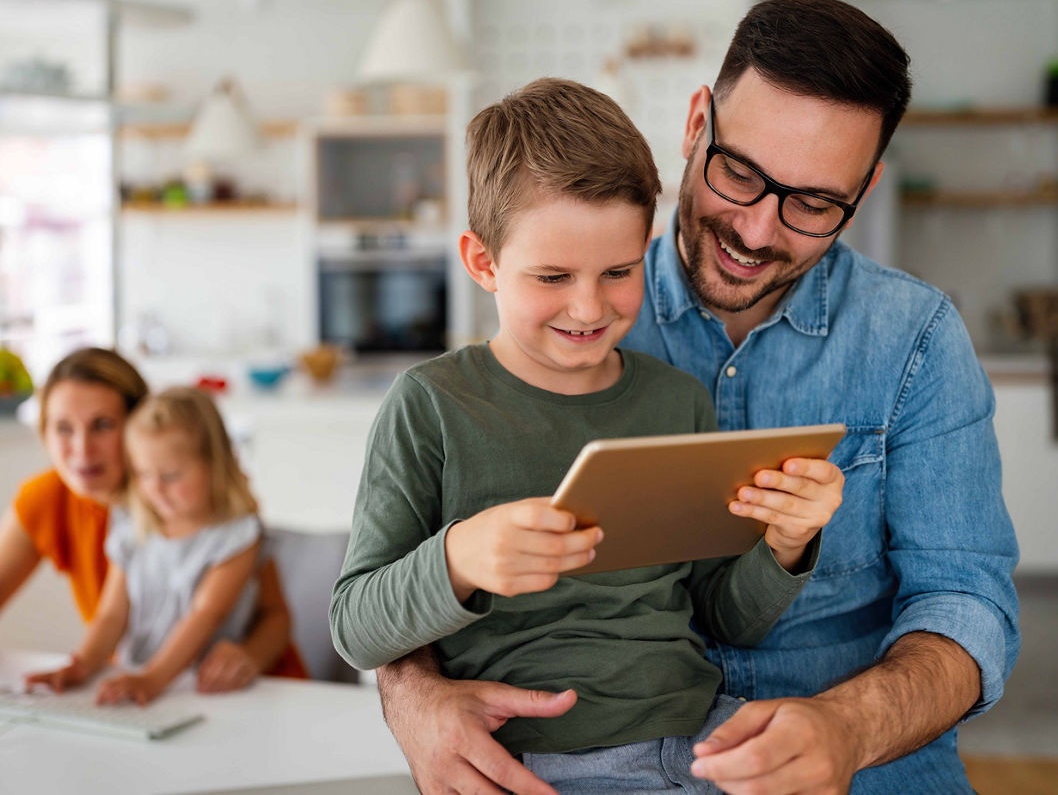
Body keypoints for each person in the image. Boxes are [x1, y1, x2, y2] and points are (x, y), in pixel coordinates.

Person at [374, 0, 1021, 795]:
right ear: (694, 126)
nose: (756, 230)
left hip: (869, 763)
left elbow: (968, 605)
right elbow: (390, 577)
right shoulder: (578, 316)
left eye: (814, 204)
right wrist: (412, 694)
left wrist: (849, 727)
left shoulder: (917, 339)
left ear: (865, 190)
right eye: (739, 172)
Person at [330, 77, 845, 791]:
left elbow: (724, 616)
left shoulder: (676, 401)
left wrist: (788, 546)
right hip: (545, 764)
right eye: (552, 275)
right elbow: (355, 627)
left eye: (619, 272)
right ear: (484, 263)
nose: (588, 306)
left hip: (702, 743)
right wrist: (461, 558)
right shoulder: (432, 405)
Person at [0, 347, 305, 691]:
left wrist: (248, 656)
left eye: (102, 425)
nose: (82, 450)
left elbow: (276, 616)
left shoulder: (200, 506)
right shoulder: (48, 499)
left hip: (248, 685)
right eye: (63, 428)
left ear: (138, 424)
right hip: (149, 688)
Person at [24, 386, 293, 705]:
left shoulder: (236, 536)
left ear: (213, 464)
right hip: (139, 683)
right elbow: (111, 615)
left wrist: (152, 679)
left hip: (203, 690)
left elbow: (205, 613)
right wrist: (81, 664)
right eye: (142, 474)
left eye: (170, 475)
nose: (155, 489)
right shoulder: (132, 526)